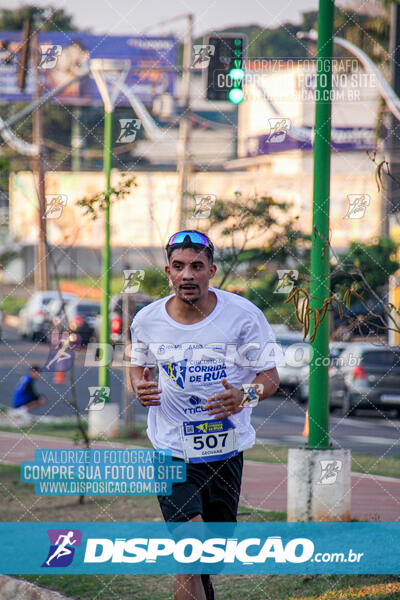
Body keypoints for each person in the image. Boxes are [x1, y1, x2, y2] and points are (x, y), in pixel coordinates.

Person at [130, 230, 280, 600]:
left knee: (208, 560)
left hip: (225, 452)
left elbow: (270, 378)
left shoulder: (244, 316)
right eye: (179, 267)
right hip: (171, 449)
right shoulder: (148, 320)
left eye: (197, 266)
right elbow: (138, 366)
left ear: (211, 270)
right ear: (168, 272)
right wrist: (138, 386)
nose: (187, 275)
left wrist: (244, 395)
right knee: (192, 545)